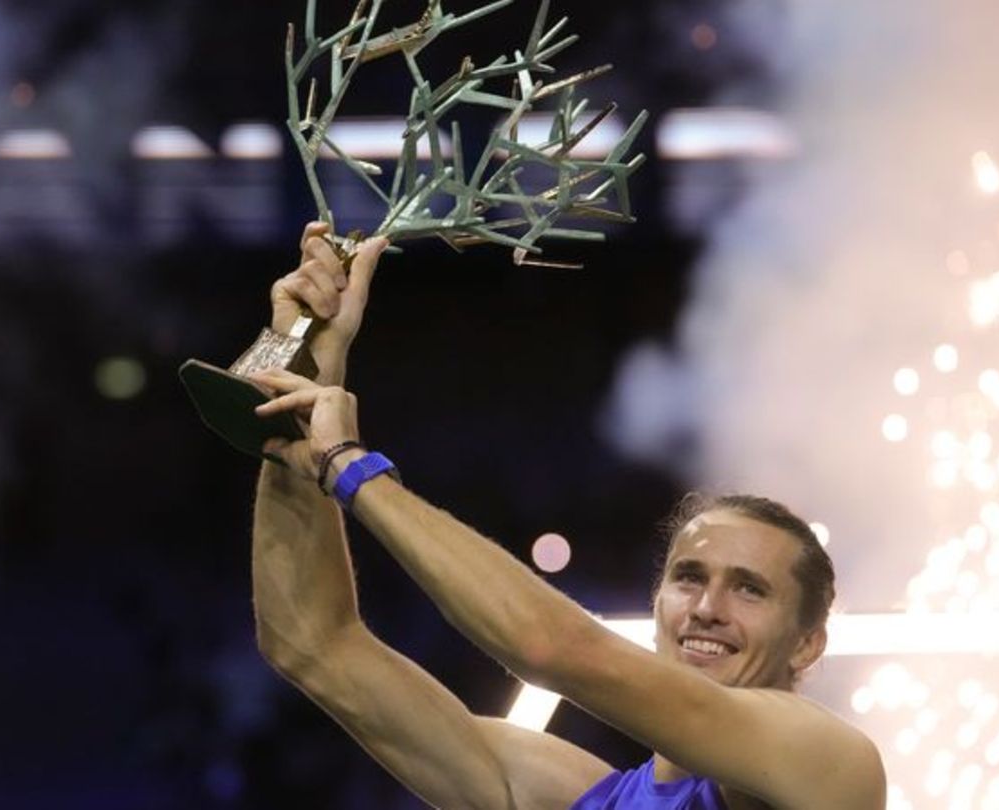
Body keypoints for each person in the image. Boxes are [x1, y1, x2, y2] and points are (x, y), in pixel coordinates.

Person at [249, 223, 887, 809]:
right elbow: (311, 641)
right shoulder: (574, 795)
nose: (707, 607)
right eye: (689, 577)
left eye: (750, 587)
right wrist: (308, 372)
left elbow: (549, 645)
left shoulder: (830, 764)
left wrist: (350, 465)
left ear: (809, 643)